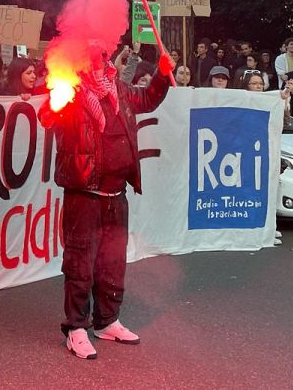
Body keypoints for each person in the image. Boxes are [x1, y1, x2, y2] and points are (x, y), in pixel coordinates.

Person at [38, 45, 172, 360]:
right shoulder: (69, 92)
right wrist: (58, 95)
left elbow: (148, 98)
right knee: (80, 264)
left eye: (103, 58)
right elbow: (46, 116)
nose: (101, 64)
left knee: (112, 262)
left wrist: (163, 75)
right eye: (93, 59)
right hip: (83, 196)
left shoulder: (120, 91)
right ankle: (76, 328)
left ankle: (107, 321)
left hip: (116, 194)